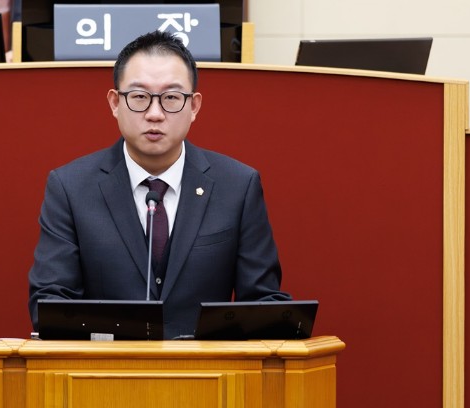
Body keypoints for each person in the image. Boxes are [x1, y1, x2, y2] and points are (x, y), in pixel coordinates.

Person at [28, 30, 290, 339]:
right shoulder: (70, 188)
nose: (155, 114)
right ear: (115, 103)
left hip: (206, 368)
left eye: (171, 98)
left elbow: (262, 303)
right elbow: (49, 305)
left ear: (194, 106)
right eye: (139, 97)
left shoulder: (237, 186)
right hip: (105, 367)